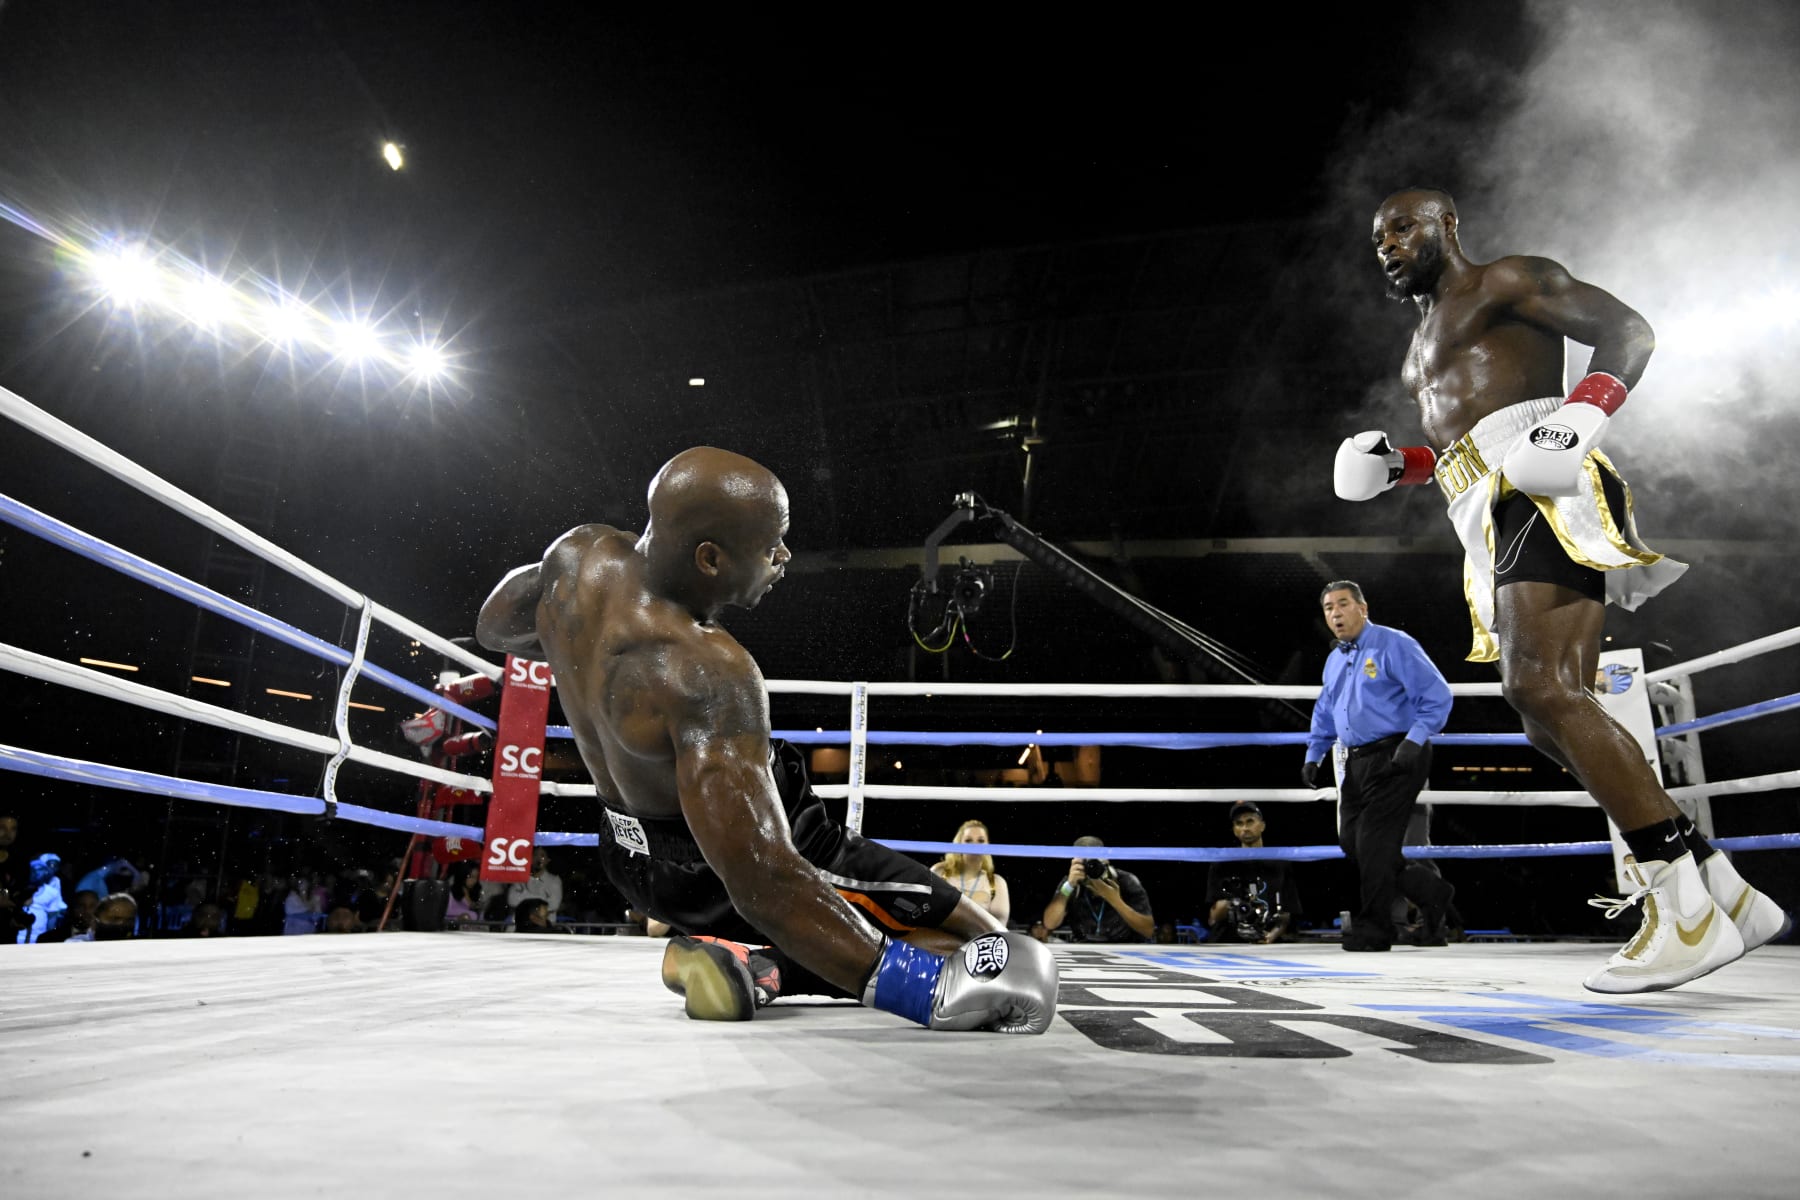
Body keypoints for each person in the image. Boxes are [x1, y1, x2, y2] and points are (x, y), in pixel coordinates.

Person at [1339, 188, 1786, 987]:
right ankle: (1722, 887)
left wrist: (1582, 415)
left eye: (1403, 228)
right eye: (1379, 238)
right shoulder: (1417, 346)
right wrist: (1397, 469)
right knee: (1547, 716)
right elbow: (1460, 448)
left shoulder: (1508, 280)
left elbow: (1629, 332)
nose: (1389, 245)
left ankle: (1680, 909)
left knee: (1540, 685)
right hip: (1481, 504)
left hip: (1539, 480)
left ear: (1448, 226)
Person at [475, 446, 1055, 1032]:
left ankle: (752, 964)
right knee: (988, 942)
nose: (784, 556)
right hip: (742, 858)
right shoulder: (705, 672)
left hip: (630, 858)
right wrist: (924, 992)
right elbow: (763, 873)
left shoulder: (576, 556)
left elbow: (493, 624)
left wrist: (582, 651)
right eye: (771, 544)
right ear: (710, 559)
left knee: (951, 936)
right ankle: (763, 959)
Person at [1302, 581, 1455, 952]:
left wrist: (1413, 741)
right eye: (1327, 608)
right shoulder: (1335, 657)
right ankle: (1432, 892)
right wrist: (1314, 753)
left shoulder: (1394, 644)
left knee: (1372, 843)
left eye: (1342, 604)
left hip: (1397, 753)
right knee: (1352, 841)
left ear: (1362, 608)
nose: (1335, 613)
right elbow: (1326, 709)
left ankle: (1376, 928)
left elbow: (1437, 695)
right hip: (1355, 759)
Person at [1205, 802, 1302, 944]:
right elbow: (1213, 918)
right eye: (1239, 823)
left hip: (1268, 942)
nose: (1245, 828)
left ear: (1262, 825)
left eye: (1250, 821)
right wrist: (1231, 903)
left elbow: (1287, 912)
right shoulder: (1222, 863)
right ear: (1234, 830)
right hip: (1228, 942)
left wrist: (1271, 936)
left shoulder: (1280, 863)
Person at [1040, 836, 1154, 943]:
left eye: (1095, 862)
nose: (1091, 867)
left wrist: (1115, 900)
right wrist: (1069, 886)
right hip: (1082, 946)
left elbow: (1148, 930)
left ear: (1106, 860)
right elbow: (1050, 923)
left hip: (1122, 946)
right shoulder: (1071, 882)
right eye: (1087, 863)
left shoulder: (1125, 880)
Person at [929, 819, 1011, 924]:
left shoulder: (997, 883)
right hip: (942, 937)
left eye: (980, 841)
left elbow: (1000, 927)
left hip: (979, 938)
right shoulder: (940, 872)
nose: (974, 845)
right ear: (959, 843)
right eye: (968, 840)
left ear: (988, 845)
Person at [505, 848, 564, 921]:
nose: (538, 858)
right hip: (519, 924)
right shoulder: (520, 878)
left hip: (544, 924)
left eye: (542, 856)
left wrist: (524, 895)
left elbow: (554, 905)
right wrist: (543, 898)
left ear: (547, 860)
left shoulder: (554, 880)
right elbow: (512, 900)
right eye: (535, 855)